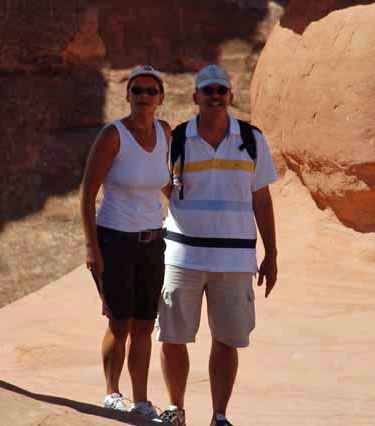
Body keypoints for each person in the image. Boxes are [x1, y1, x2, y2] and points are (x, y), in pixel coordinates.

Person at [154, 64, 279, 426]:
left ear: (230, 97)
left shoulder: (252, 140)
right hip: (182, 256)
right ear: (195, 97)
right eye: (207, 90)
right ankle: (176, 411)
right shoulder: (177, 139)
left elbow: (262, 199)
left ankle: (219, 416)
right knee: (174, 337)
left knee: (227, 340)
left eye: (220, 90)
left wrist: (271, 253)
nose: (214, 96)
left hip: (235, 259)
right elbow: (164, 183)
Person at [80, 65, 171, 421]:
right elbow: (87, 195)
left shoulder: (165, 133)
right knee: (119, 322)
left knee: (145, 324)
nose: (144, 97)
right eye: (137, 91)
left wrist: (189, 201)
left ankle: (142, 400)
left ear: (161, 97)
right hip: (114, 240)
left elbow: (164, 182)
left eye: (151, 91)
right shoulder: (112, 136)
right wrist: (92, 248)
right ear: (128, 96)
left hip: (153, 242)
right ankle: (112, 394)